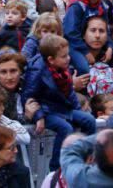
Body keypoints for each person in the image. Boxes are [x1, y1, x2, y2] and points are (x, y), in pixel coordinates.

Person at [23, 33, 96, 171]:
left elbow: (69, 93)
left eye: (68, 55)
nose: (68, 58)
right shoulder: (36, 70)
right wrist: (39, 117)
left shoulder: (62, 68)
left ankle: (86, 158)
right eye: (64, 56)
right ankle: (57, 168)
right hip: (46, 111)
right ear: (51, 59)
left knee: (89, 120)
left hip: (61, 109)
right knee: (65, 128)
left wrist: (78, 109)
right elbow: (29, 97)